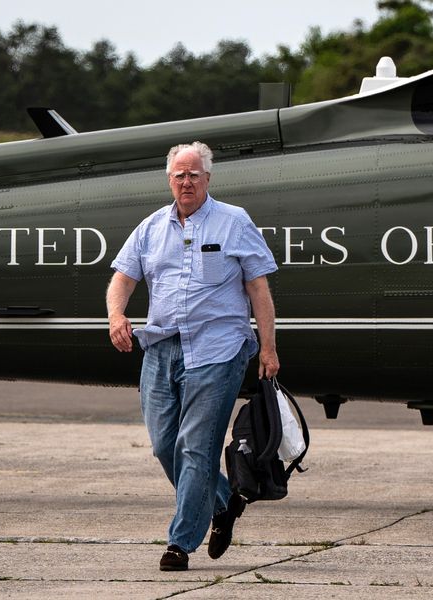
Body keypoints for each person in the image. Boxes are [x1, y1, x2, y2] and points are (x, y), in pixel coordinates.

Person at [106, 141, 279, 572]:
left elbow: (259, 288)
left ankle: (179, 543)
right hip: (161, 349)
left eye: (194, 174)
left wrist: (269, 348)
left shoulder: (234, 222)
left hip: (217, 350)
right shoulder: (150, 227)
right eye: (179, 175)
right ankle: (222, 502)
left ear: (208, 178)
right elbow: (122, 279)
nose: (186, 181)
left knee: (195, 448)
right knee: (166, 445)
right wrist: (116, 315)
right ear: (169, 179)